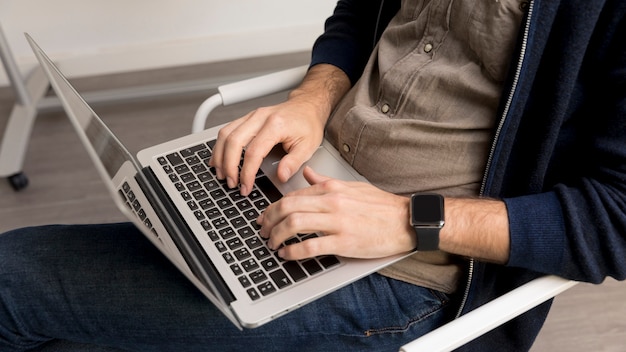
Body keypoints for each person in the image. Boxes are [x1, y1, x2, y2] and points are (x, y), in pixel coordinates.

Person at [1, 0, 625, 350]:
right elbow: (361, 15)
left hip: (409, 275)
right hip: (291, 177)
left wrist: (410, 220)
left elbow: (616, 220)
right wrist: (312, 98)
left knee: (10, 284)